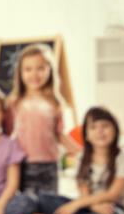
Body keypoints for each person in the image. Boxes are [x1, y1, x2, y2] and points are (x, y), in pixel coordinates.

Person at [31, 107, 124, 214]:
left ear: (116, 130)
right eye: (93, 128)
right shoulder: (82, 157)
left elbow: (112, 194)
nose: (100, 131)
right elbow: (83, 190)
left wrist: (76, 204)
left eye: (105, 126)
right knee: (44, 199)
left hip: (113, 206)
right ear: (86, 135)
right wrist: (92, 206)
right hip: (88, 204)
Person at [5, 44, 81, 195]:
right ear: (20, 73)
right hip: (22, 164)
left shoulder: (55, 103)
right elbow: (6, 135)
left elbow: (60, 134)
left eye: (40, 68)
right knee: (28, 206)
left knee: (48, 205)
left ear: (50, 70)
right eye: (28, 69)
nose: (34, 74)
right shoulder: (14, 102)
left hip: (50, 164)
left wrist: (81, 153)